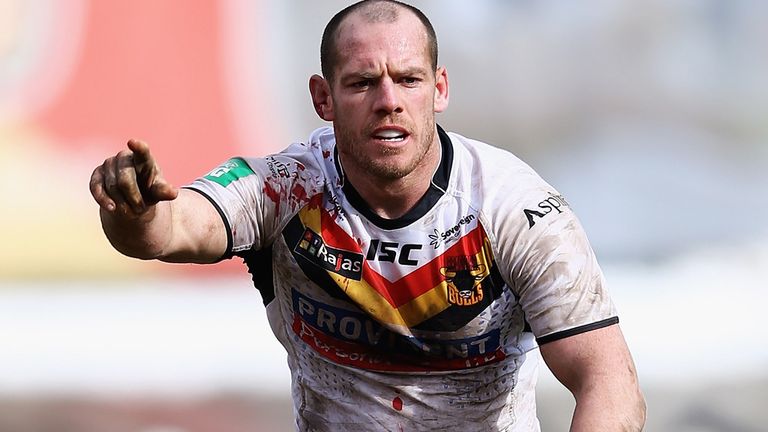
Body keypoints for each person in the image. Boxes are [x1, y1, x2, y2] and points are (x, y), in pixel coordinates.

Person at [89, 1, 646, 430]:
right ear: (323, 98)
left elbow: (609, 382)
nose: (389, 101)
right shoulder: (284, 187)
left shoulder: (515, 207)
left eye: (408, 79)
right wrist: (132, 209)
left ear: (439, 89)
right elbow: (169, 229)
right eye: (362, 83)